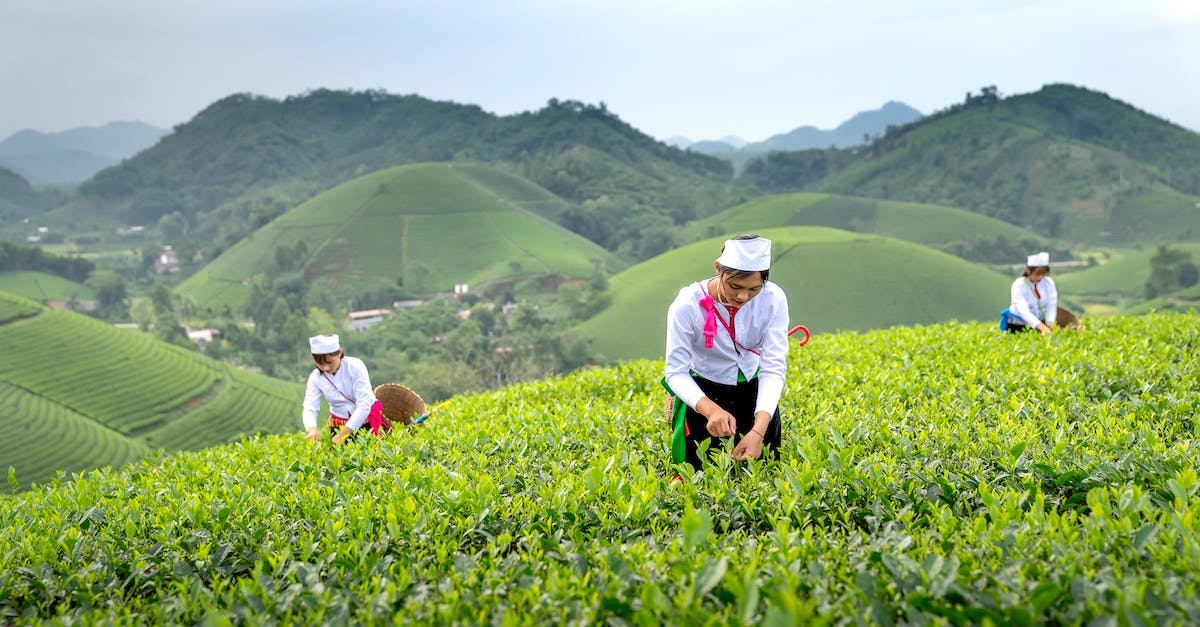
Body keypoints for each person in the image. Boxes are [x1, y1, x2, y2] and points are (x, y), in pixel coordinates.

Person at [663, 234, 790, 472]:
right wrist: (711, 411)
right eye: (735, 286)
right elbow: (675, 372)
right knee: (703, 479)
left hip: (756, 396)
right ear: (718, 268)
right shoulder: (687, 304)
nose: (743, 297)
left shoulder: (773, 299)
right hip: (703, 395)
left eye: (754, 288)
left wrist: (758, 431)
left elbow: (773, 368)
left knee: (762, 479)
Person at [301, 334, 389, 444]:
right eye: (320, 364)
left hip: (366, 421)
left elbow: (364, 404)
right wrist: (311, 428)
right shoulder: (316, 377)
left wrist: (343, 435)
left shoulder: (355, 366)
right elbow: (310, 407)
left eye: (329, 362)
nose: (326, 368)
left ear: (340, 353)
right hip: (338, 424)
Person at [999, 252, 1085, 334]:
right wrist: (1041, 327)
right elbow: (1023, 310)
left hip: (1039, 322)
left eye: (1043, 274)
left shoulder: (1048, 283)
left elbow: (1051, 305)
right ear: (1029, 270)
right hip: (1018, 325)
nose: (1040, 277)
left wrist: (1049, 323)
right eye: (1038, 274)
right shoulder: (1019, 285)